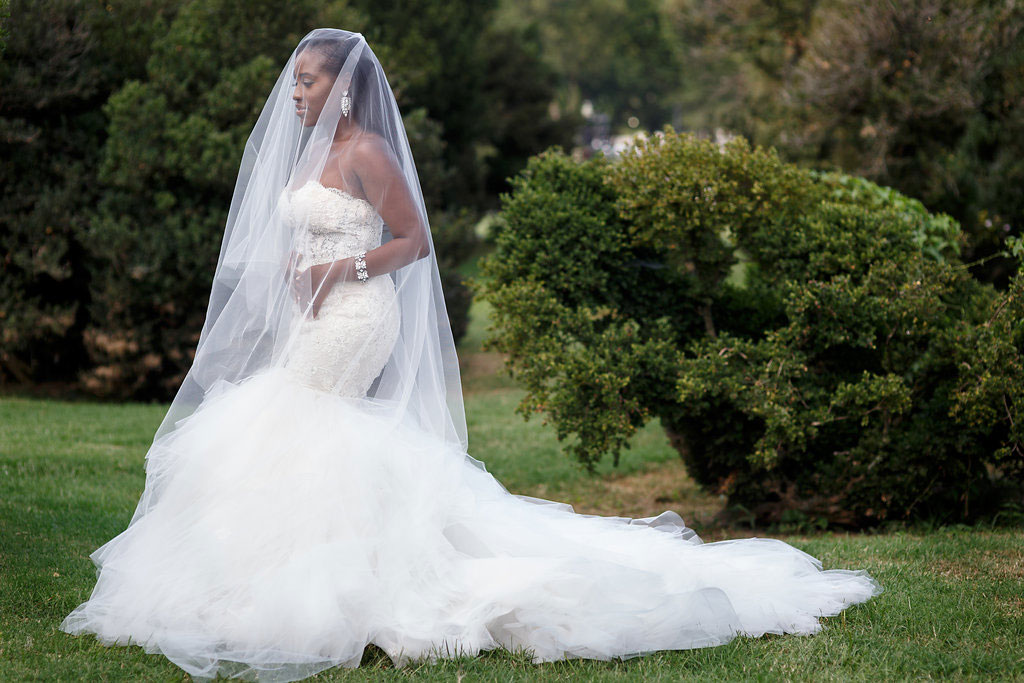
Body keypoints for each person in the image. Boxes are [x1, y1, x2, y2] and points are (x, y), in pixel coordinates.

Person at [59, 28, 882, 682]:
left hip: (356, 314)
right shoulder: (310, 152)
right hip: (317, 309)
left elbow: (412, 241)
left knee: (301, 423)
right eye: (297, 79)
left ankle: (335, 586)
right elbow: (307, 229)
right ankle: (283, 570)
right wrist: (296, 267)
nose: (297, 91)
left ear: (343, 85)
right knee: (298, 429)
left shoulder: (368, 152)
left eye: (309, 80)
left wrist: (339, 267)